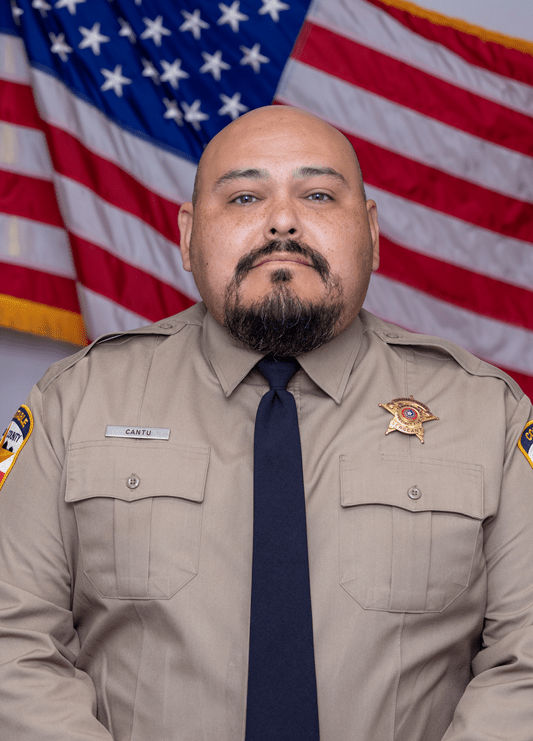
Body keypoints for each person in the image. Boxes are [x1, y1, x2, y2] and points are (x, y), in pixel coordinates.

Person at [0, 105, 532, 741]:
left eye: (318, 194)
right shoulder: (75, 402)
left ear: (371, 233)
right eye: (245, 197)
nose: (283, 220)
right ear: (188, 237)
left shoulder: (489, 415)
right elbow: (15, 642)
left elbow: (524, 662)